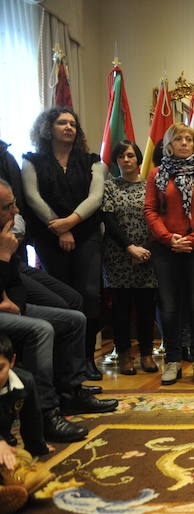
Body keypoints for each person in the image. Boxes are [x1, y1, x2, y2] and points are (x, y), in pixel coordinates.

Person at [0, 179, 115, 442]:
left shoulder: (5, 234)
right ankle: (45, 414)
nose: (16, 211)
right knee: (41, 329)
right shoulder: (5, 243)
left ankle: (70, 393)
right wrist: (4, 257)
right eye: (8, 207)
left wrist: (14, 302)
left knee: (74, 317)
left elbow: (16, 284)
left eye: (14, 203)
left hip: (9, 305)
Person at [22, 107, 106, 380]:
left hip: (87, 235)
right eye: (62, 123)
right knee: (61, 300)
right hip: (49, 237)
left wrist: (70, 222)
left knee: (90, 296)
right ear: (49, 128)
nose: (69, 127)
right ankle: (66, 364)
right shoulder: (32, 161)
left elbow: (95, 197)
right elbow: (32, 197)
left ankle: (87, 359)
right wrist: (58, 227)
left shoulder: (92, 161)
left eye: (72, 123)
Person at [144, 123, 194, 385]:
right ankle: (173, 360)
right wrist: (168, 238)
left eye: (188, 139)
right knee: (169, 306)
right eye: (179, 139)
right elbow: (150, 210)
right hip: (166, 248)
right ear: (169, 145)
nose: (184, 143)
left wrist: (192, 239)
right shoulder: (156, 174)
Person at [100, 140, 158, 376]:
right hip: (118, 256)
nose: (126, 160)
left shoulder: (150, 187)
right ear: (116, 161)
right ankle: (124, 354)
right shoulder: (109, 186)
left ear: (138, 159)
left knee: (146, 309)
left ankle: (146, 354)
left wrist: (143, 250)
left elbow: (157, 220)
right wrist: (130, 248)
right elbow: (109, 220)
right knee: (121, 311)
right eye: (121, 156)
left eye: (131, 155)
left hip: (147, 255)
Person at [0, 334, 54, 514]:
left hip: (5, 442)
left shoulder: (25, 381)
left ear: (12, 361)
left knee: (21, 455)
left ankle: (11, 484)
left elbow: (32, 417)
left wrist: (38, 446)